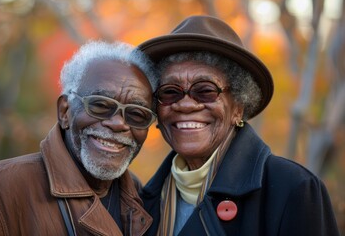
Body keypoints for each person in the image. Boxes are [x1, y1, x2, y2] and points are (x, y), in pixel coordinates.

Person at [138, 15, 340, 236]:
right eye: (170, 92)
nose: (185, 104)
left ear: (238, 108)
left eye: (205, 90)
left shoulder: (294, 189)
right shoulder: (138, 203)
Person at [0, 41, 158, 235]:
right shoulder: (2, 187)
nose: (119, 124)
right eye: (100, 105)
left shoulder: (138, 194)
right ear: (64, 111)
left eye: (136, 114)